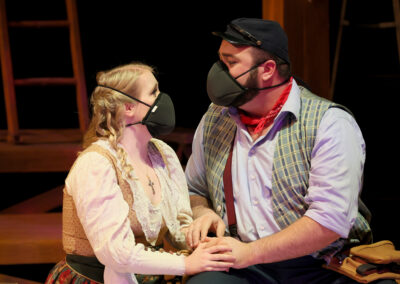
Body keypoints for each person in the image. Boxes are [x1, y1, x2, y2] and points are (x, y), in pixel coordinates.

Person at [184, 18, 396, 283]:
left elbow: (329, 222)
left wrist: (249, 253)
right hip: (246, 266)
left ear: (267, 69)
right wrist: (204, 213)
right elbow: (194, 190)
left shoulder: (328, 123)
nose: (218, 72)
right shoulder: (216, 119)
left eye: (231, 63)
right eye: (220, 61)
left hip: (323, 266)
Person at [45, 63, 235, 284]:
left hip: (145, 277)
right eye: (153, 92)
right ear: (128, 108)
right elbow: (116, 253)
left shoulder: (163, 154)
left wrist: (202, 234)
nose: (162, 98)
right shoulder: (96, 164)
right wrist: (185, 264)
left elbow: (178, 225)